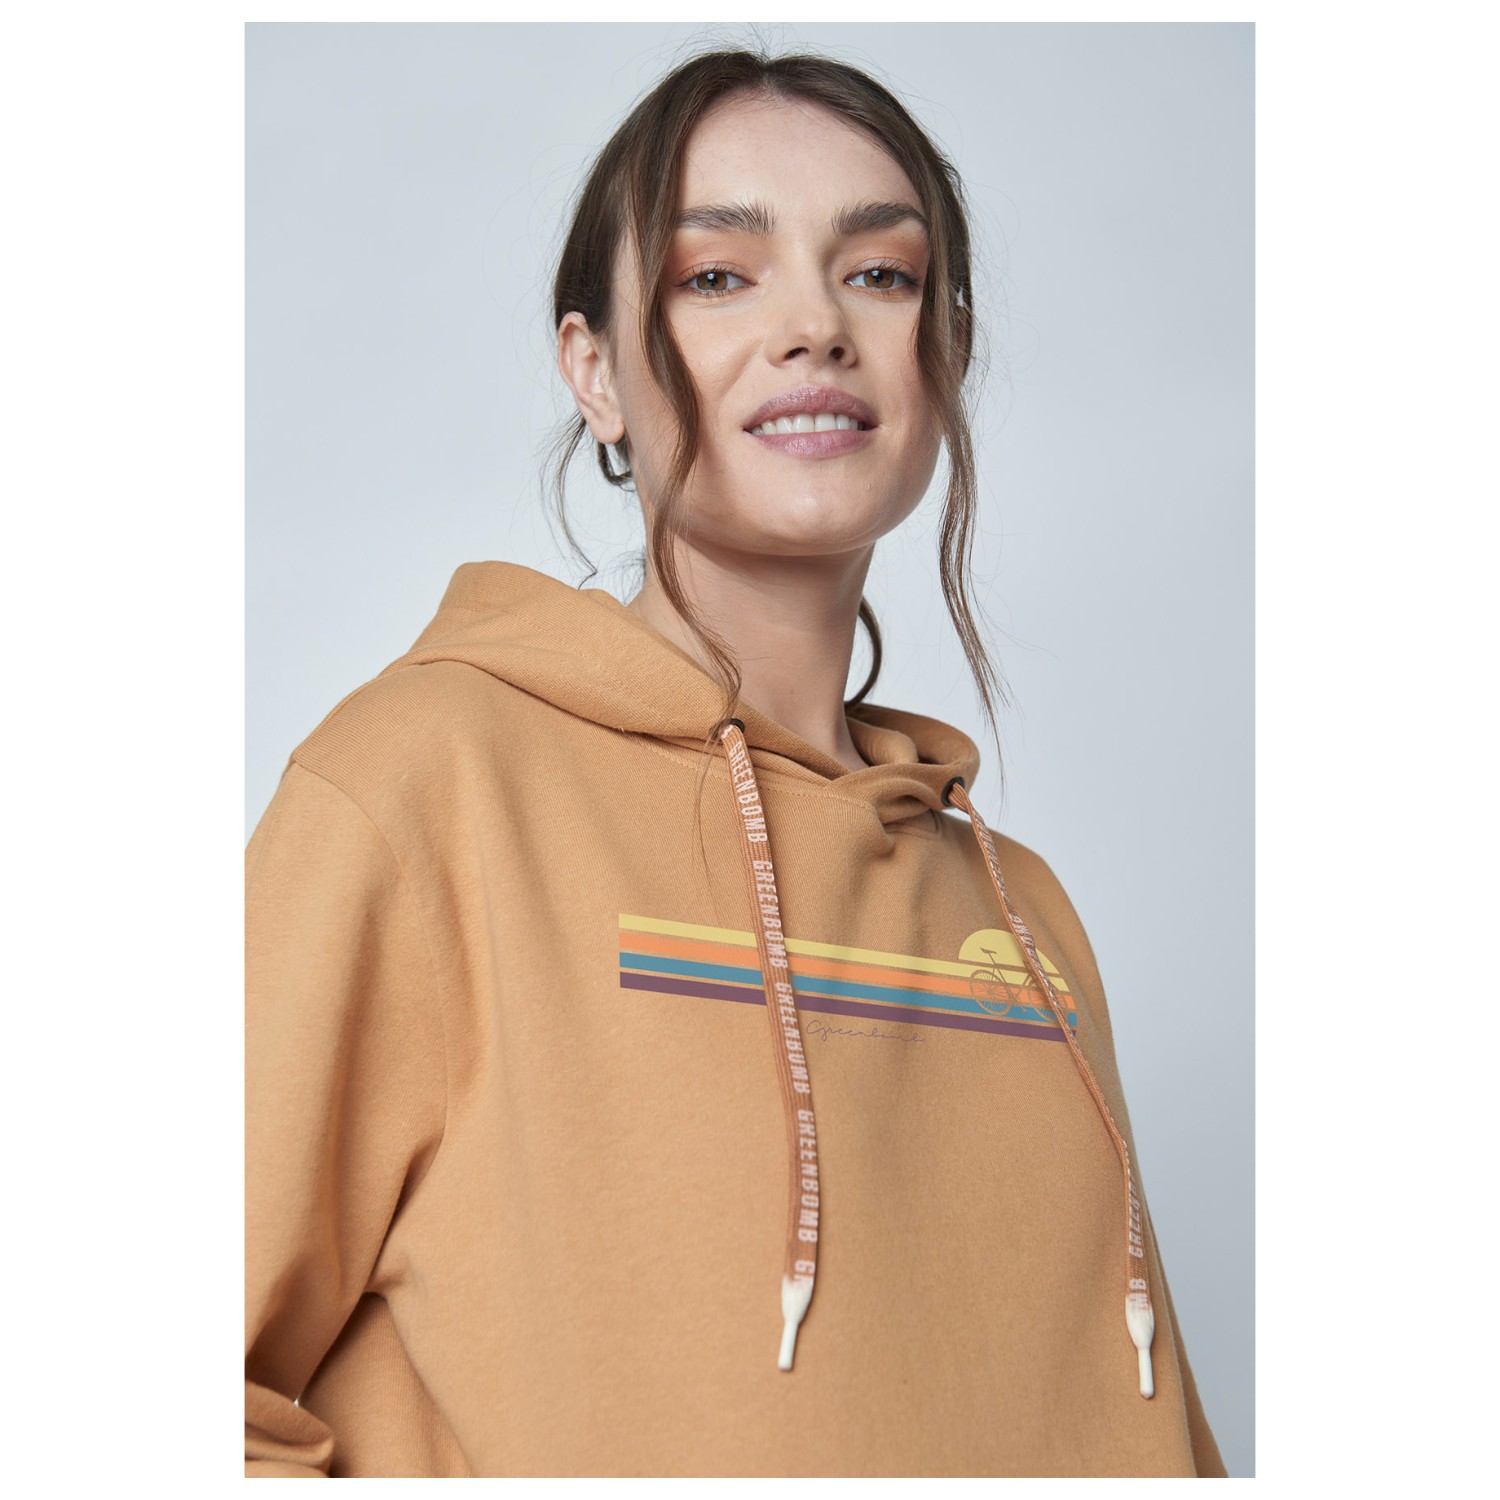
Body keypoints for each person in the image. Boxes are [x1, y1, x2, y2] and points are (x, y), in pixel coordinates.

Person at [245, 47, 1225, 1478]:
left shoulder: (1025, 917)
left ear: (944, 358)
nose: (815, 325)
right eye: (717, 276)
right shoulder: (423, 791)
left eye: (880, 274)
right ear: (594, 372)